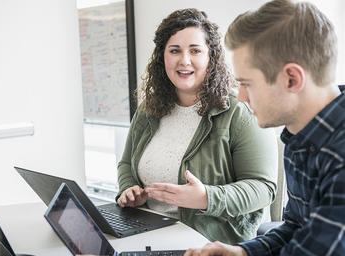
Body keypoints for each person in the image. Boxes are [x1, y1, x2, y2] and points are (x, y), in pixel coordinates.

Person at [74, 0, 345, 256]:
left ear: (291, 79)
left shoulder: (339, 158)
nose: (241, 97)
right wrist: (246, 253)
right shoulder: (303, 140)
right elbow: (295, 230)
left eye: (248, 84)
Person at [116, 8, 278, 244]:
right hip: (145, 233)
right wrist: (128, 189)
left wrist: (207, 198)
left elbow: (263, 189)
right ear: (162, 57)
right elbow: (126, 163)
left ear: (210, 57)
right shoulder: (148, 109)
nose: (184, 60)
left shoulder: (238, 111)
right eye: (174, 50)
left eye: (195, 50)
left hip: (211, 244)